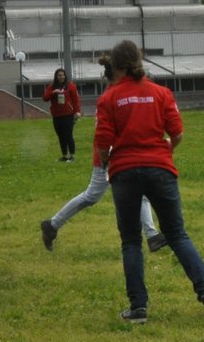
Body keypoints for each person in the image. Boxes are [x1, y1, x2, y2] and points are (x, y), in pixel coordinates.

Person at [93, 39, 204, 323]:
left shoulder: (108, 98)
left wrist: (109, 161)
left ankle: (138, 308)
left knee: (130, 241)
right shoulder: (161, 93)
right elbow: (177, 133)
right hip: (160, 169)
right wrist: (165, 152)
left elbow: (103, 143)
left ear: (114, 67)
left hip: (125, 173)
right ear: (138, 62)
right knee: (177, 234)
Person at [41, 54, 166, 252]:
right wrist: (108, 157)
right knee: (91, 196)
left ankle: (152, 236)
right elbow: (105, 134)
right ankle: (52, 225)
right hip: (108, 158)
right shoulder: (111, 97)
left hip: (118, 156)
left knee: (139, 193)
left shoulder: (117, 93)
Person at [44, 67, 81, 161]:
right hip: (56, 115)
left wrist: (77, 111)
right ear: (56, 76)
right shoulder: (52, 86)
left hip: (68, 114)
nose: (62, 77)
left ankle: (72, 156)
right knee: (60, 135)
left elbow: (76, 99)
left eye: (63, 75)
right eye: (59, 75)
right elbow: (45, 98)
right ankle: (64, 155)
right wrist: (53, 92)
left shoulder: (70, 85)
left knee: (68, 134)